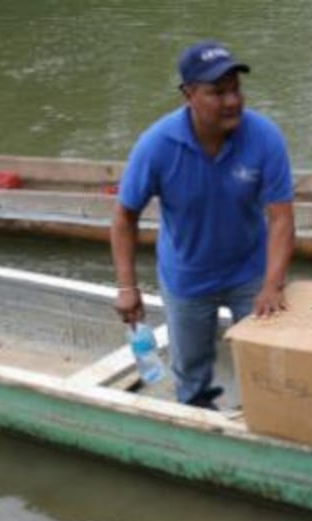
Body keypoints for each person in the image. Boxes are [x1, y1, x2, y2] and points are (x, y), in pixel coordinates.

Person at [110, 40, 295, 410]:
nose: (232, 101)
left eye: (235, 89)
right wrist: (127, 286)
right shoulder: (157, 146)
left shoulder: (264, 137)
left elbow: (281, 219)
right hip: (188, 278)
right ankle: (197, 422)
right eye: (217, 92)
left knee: (269, 366)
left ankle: (264, 417)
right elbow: (123, 218)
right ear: (189, 95)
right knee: (192, 374)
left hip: (250, 273)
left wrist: (272, 284)